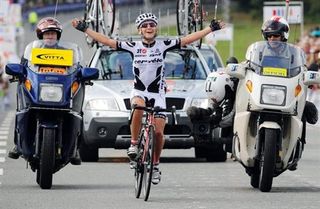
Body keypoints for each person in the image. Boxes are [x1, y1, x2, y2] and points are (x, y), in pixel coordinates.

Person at [72, 12, 225, 184]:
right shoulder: (132, 46)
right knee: (137, 106)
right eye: (144, 25)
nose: (149, 28)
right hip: (139, 91)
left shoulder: (164, 45)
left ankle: (155, 164)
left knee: (159, 133)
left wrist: (210, 29)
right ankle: (134, 143)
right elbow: (107, 41)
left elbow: (188, 39)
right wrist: (85, 29)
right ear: (139, 30)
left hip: (158, 95)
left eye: (152, 24)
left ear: (156, 28)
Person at [8, 17, 82, 165]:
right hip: (38, 92)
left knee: (77, 110)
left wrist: (81, 74)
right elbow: (23, 69)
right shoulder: (32, 51)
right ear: (40, 36)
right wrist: (18, 72)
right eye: (46, 33)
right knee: (22, 105)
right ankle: (18, 143)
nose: (50, 36)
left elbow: (77, 69)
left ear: (58, 36)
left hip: (60, 93)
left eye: (53, 33)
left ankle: (74, 148)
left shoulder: (68, 52)